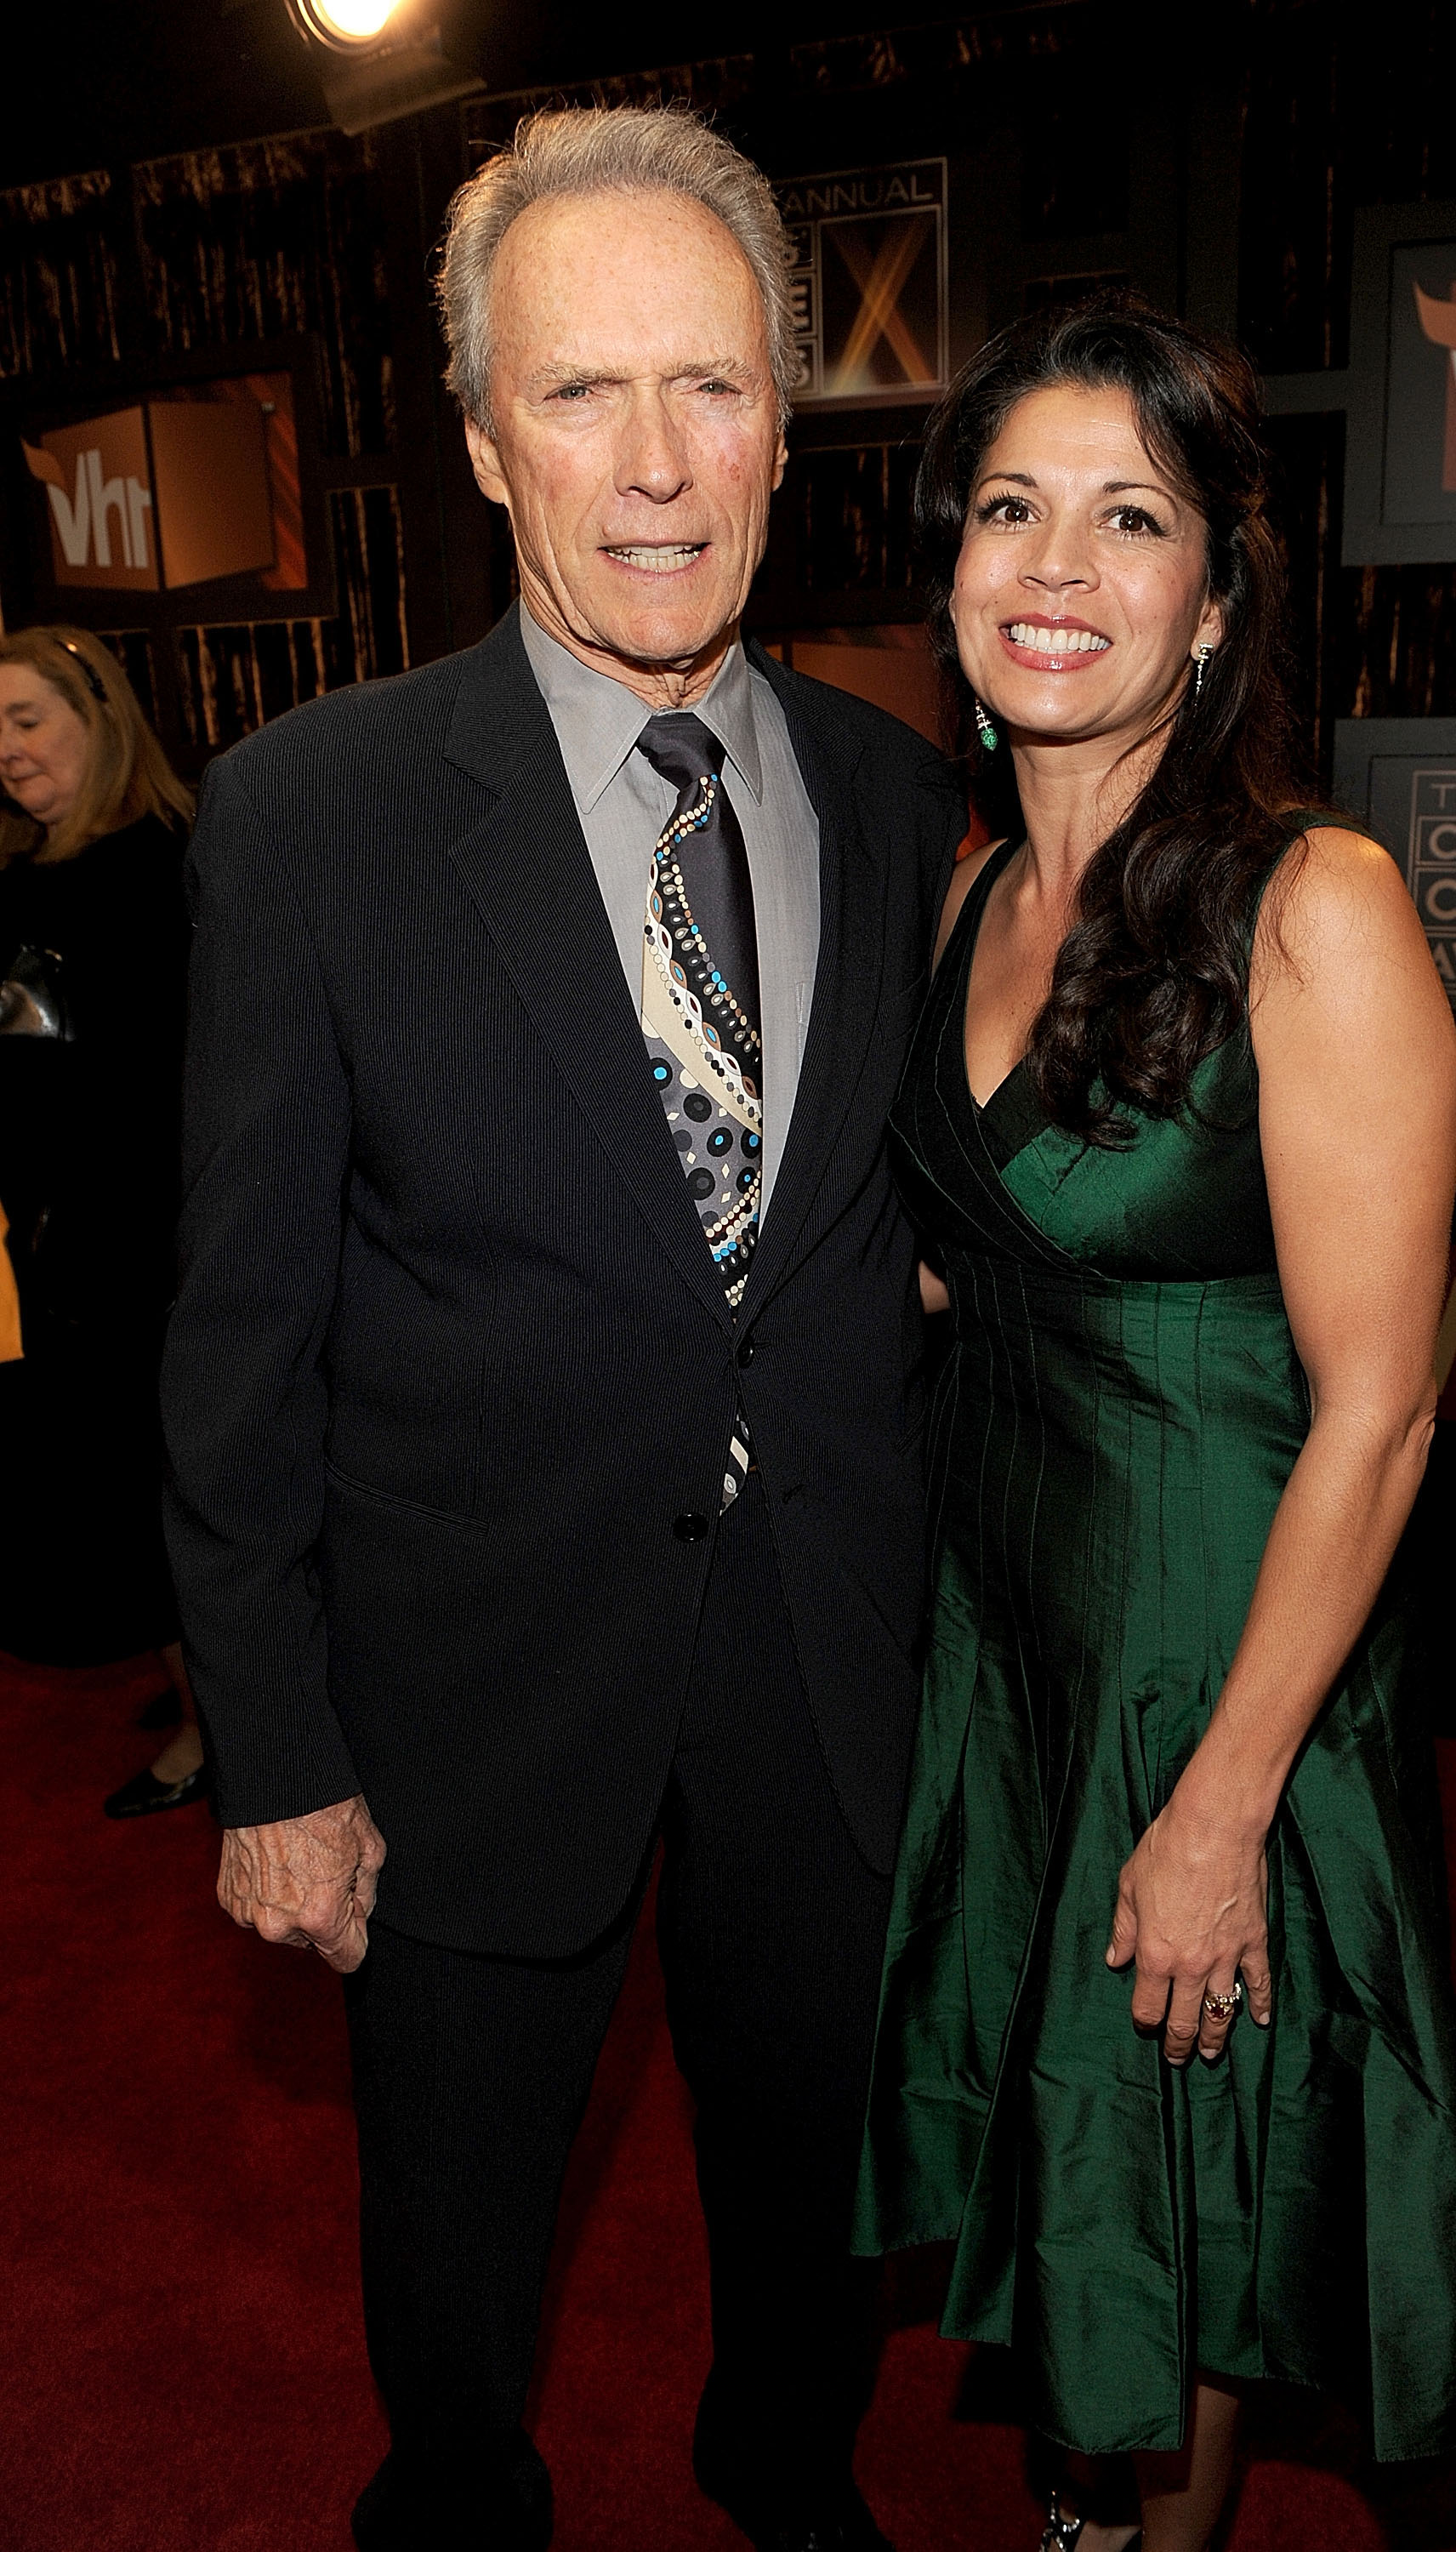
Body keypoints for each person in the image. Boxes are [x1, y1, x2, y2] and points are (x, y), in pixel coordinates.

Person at [160, 105, 964, 2552]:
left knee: (816, 2169)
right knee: (462, 2211)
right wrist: (272, 1749)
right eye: (580, 395)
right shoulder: (310, 814)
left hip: (829, 1654)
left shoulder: (904, 789)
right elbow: (236, 1327)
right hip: (473, 1668)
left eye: (709, 388)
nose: (653, 466)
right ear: (485, 437)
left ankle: (779, 2457)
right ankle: (464, 2486)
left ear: (786, 424)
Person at [854, 296, 1456, 2552]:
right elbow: (963, 1260)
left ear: (1214, 600)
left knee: (1192, 2160)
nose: (1056, 560)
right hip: (1018, 1635)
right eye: (1011, 507)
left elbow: (1387, 1409)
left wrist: (1226, 1806)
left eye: (1128, 520)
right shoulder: (958, 899)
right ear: (947, 572)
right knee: (1090, 2136)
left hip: (1225, 1648)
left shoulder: (1315, 908)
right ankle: (1090, 2515)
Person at [0, 625, 202, 1813]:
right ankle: (197, 1683)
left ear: (100, 717)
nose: (8, 752)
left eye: (27, 721)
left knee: (159, 1491)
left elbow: (164, 1085)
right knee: (123, 1493)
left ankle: (219, 1727)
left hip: (148, 1250)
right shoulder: (31, 870)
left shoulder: (159, 872)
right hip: (62, 1245)